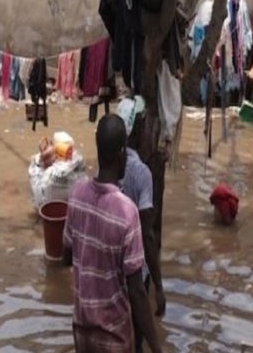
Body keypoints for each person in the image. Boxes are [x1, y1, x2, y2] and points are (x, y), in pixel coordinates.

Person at [63, 115, 161, 353]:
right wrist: (157, 348)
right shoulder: (127, 212)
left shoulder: (76, 195)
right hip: (113, 336)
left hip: (82, 330)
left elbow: (66, 256)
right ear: (121, 155)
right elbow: (137, 292)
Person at [116, 98, 167, 352]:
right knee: (136, 337)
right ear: (138, 128)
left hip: (112, 272)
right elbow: (147, 235)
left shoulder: (108, 165)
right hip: (136, 272)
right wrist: (158, 286)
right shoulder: (141, 173)